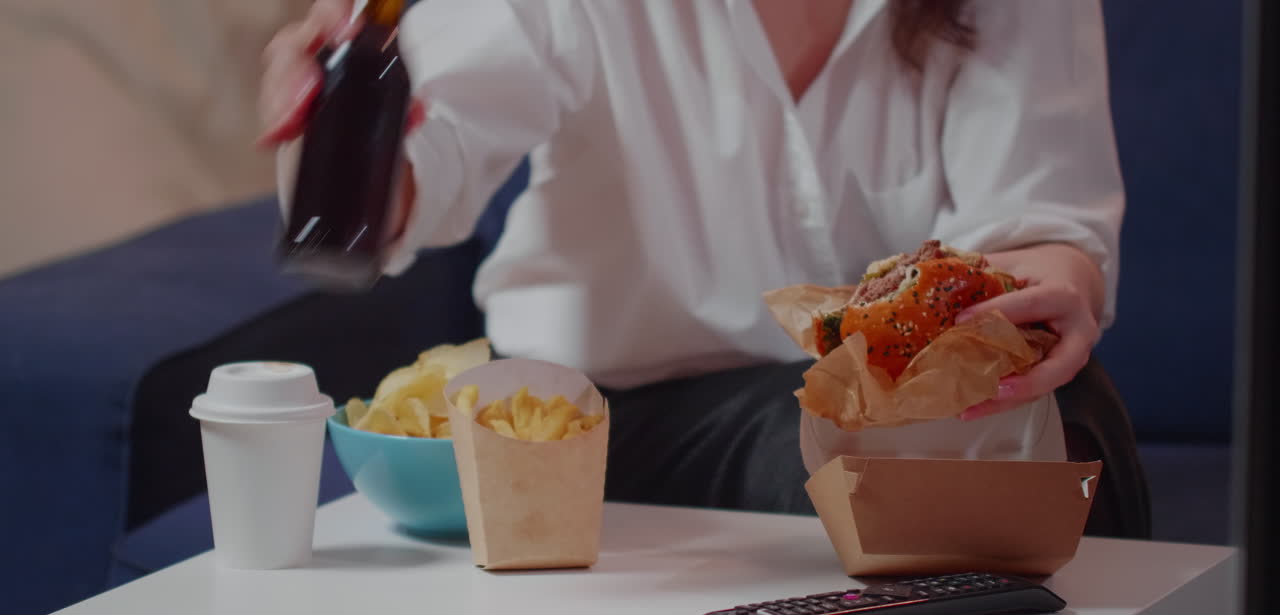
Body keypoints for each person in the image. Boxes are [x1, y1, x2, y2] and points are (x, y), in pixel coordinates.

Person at [259, 0, 1125, 518]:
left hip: (886, 411)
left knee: (1067, 425)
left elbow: (1038, 216)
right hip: (610, 429)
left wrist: (1048, 289)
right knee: (859, 471)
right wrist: (331, 123)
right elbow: (421, 164)